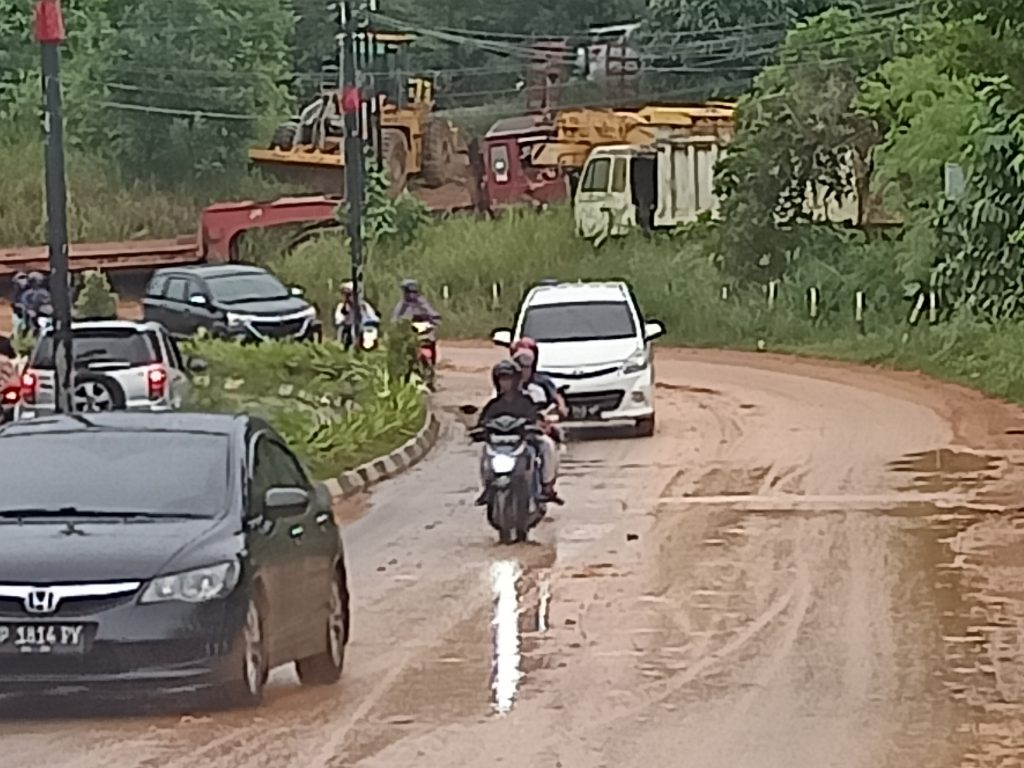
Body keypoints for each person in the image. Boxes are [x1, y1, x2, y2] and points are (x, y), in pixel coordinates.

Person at [475, 359, 543, 506]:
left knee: (539, 450)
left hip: (522, 443)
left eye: (509, 379)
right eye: (502, 379)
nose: (505, 383)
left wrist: (535, 428)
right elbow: (482, 423)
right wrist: (478, 431)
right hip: (499, 446)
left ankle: (540, 489)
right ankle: (487, 488)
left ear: (516, 380)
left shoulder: (526, 401)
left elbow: (535, 419)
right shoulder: (493, 405)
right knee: (484, 456)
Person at [509, 339, 565, 504]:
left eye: (527, 365)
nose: (524, 368)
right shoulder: (505, 383)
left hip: (534, 430)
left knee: (547, 445)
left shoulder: (542, 384)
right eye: (520, 364)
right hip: (511, 432)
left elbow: (556, 399)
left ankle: (547, 486)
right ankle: (489, 485)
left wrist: (559, 410)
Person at [334, 281, 380, 348]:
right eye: (347, 295)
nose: (349, 297)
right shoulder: (342, 306)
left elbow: (373, 318)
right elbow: (339, 319)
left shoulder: (364, 306)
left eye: (351, 294)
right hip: (348, 330)